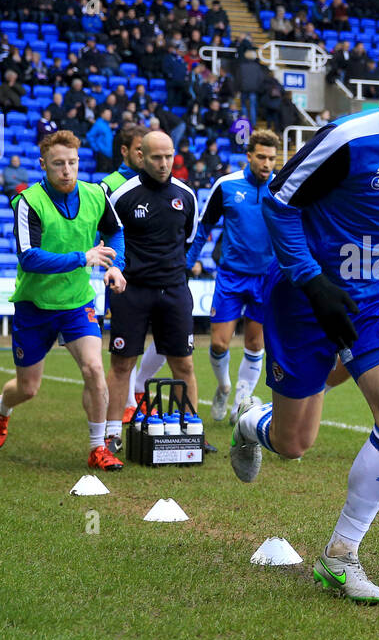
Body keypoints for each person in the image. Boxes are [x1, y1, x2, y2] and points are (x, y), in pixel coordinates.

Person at [228, 35, 379, 604]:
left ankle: (340, 556)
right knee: (294, 445)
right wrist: (313, 281)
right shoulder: (350, 137)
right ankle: (250, 424)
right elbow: (280, 203)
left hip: (378, 295)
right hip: (303, 295)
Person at [0, 131, 128, 471]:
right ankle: (2, 409)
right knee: (28, 388)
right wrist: (84, 258)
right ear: (43, 165)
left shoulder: (95, 194)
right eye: (58, 164)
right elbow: (29, 258)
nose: (67, 170)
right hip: (35, 306)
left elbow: (116, 232)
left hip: (77, 303)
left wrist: (116, 267)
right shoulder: (28, 202)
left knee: (94, 369)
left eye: (72, 163)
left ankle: (98, 448)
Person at [101, 130, 206, 456]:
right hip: (133, 292)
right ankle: (112, 435)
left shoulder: (186, 195)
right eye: (156, 157)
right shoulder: (123, 196)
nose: (163, 164)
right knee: (122, 364)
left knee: (184, 365)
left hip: (174, 290)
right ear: (141, 157)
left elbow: (188, 239)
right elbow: (110, 240)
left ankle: (189, 431)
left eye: (168, 156)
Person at [185, 129, 278, 423]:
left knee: (255, 344)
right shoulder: (227, 186)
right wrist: (187, 263)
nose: (266, 163)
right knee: (219, 343)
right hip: (232, 276)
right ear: (248, 156)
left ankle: (241, 401)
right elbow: (204, 227)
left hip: (266, 278)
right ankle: (224, 386)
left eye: (272, 159)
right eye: (261, 157)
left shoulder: (283, 188)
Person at [98, 124, 164, 423]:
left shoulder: (157, 182)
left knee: (168, 339)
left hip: (160, 274)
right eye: (140, 148)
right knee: (128, 344)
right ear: (125, 151)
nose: (145, 153)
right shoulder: (108, 186)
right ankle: (126, 404)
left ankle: (137, 389)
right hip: (126, 276)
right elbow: (101, 230)